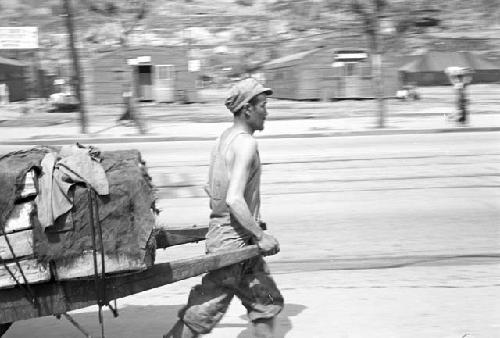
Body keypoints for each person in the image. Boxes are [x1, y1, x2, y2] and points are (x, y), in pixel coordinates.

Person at [164, 78, 283, 338]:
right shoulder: (246, 144)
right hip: (234, 241)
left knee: (265, 303)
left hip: (233, 236)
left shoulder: (225, 138)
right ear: (247, 109)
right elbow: (234, 199)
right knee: (203, 311)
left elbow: (213, 189)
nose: (267, 111)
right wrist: (261, 236)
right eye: (263, 105)